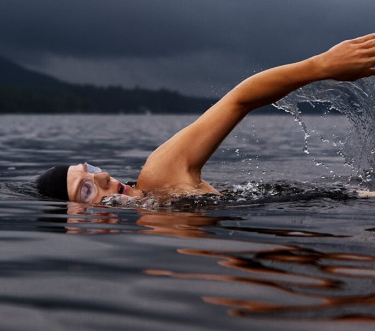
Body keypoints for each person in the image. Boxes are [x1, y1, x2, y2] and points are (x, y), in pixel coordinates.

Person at [36, 34, 375, 204]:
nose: (105, 177)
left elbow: (239, 99)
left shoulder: (158, 176)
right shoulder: (153, 227)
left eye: (91, 171)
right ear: (76, 219)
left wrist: (322, 66)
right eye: (85, 189)